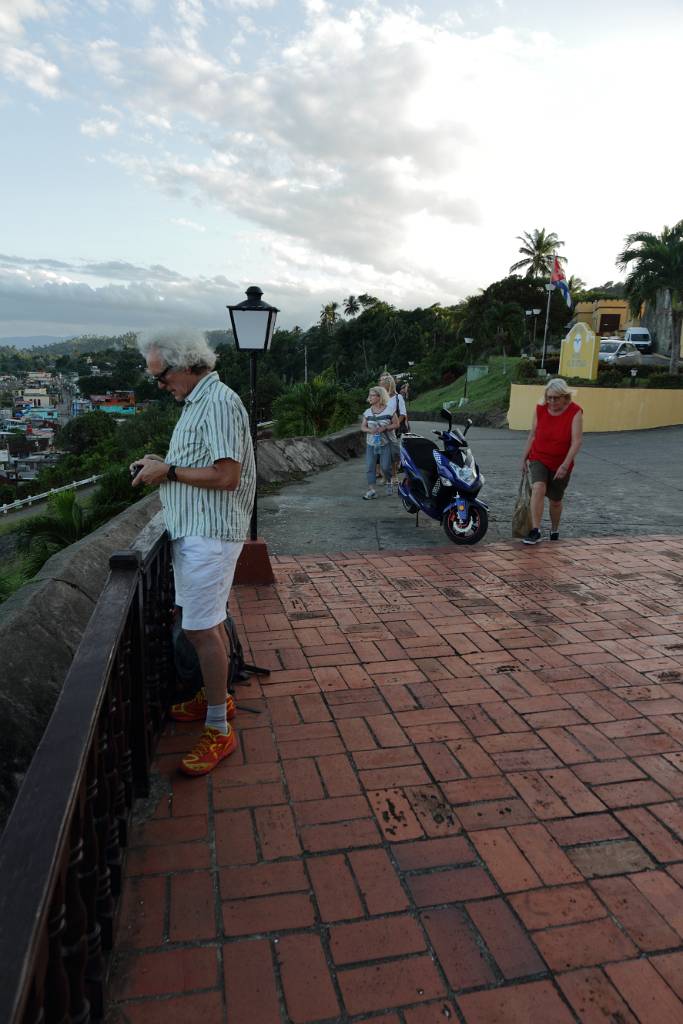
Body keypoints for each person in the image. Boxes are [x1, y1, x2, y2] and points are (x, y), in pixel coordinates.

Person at [131, 328, 255, 776]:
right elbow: (196, 466)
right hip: (197, 532)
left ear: (186, 364)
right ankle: (214, 693)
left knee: (201, 631)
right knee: (206, 625)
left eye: (162, 376)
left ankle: (219, 727)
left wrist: (171, 471)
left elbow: (227, 476)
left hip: (210, 535)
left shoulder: (218, 402)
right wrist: (161, 467)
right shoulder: (199, 403)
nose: (160, 385)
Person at [519, 377, 583, 545]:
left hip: (561, 462)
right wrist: (524, 457)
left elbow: (576, 442)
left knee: (555, 501)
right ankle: (536, 530)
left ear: (565, 397)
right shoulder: (540, 409)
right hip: (539, 456)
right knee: (538, 487)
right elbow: (533, 434)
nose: (552, 401)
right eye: (549, 397)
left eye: (556, 398)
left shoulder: (575, 412)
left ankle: (554, 530)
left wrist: (565, 464)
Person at [361, 385, 398, 498]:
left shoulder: (389, 410)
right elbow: (363, 427)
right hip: (371, 443)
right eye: (370, 395)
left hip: (385, 443)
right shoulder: (367, 412)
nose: (369, 398)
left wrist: (385, 428)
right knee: (370, 467)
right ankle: (372, 490)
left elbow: (397, 424)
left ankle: (388, 481)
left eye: (372, 395)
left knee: (386, 467)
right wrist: (370, 430)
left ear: (379, 396)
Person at [378, 373, 407, 484]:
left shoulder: (398, 397)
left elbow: (403, 414)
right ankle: (386, 476)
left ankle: (394, 475)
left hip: (394, 430)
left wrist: (395, 425)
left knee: (393, 454)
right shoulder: (381, 398)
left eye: (383, 384)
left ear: (388, 385)